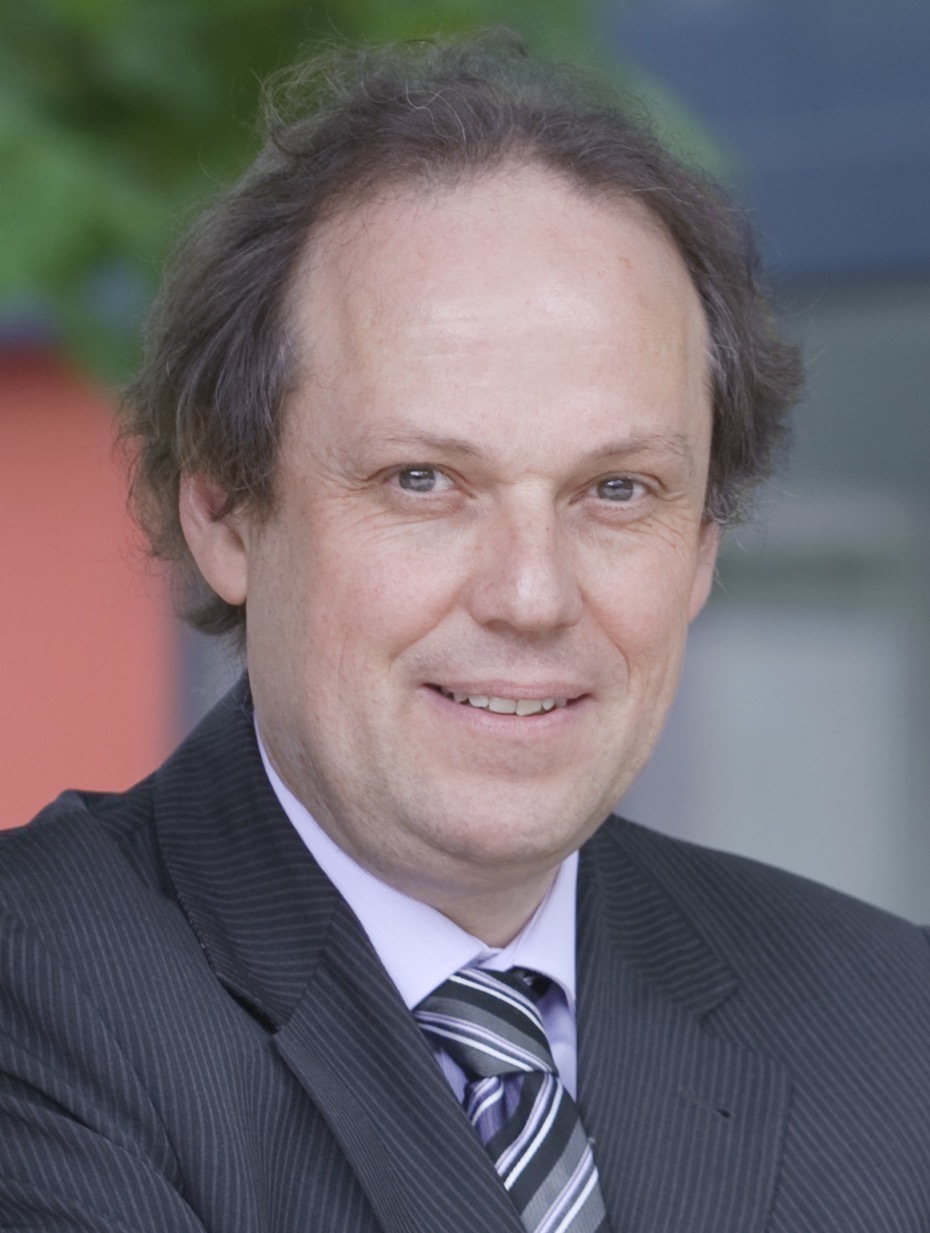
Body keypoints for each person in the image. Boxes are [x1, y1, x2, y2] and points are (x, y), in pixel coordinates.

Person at [2, 30, 929, 1233]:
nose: (532, 595)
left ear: (703, 547)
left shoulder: (893, 1024)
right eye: (425, 481)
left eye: (618, 491)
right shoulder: (33, 1000)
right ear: (227, 514)